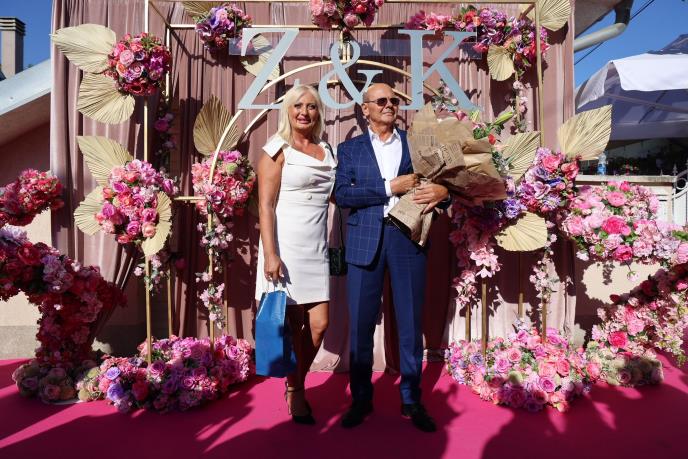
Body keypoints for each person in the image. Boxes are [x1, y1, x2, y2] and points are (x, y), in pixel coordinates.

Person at [334, 83, 450, 433]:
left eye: (394, 100)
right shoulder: (349, 149)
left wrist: (443, 192)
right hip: (364, 242)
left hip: (407, 240)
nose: (389, 105)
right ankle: (361, 399)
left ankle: (412, 399)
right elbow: (342, 195)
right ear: (365, 109)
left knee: (411, 324)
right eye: (381, 100)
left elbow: (445, 186)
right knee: (360, 325)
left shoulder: (417, 145)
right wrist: (389, 187)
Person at [256, 84, 335, 425]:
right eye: (297, 106)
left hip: (316, 247)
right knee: (291, 326)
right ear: (287, 111)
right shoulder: (277, 148)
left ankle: (295, 384)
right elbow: (265, 205)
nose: (304, 112)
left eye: (311, 106)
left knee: (319, 324)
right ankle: (296, 389)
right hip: (284, 247)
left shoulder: (326, 150)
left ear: (319, 113)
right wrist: (270, 253)